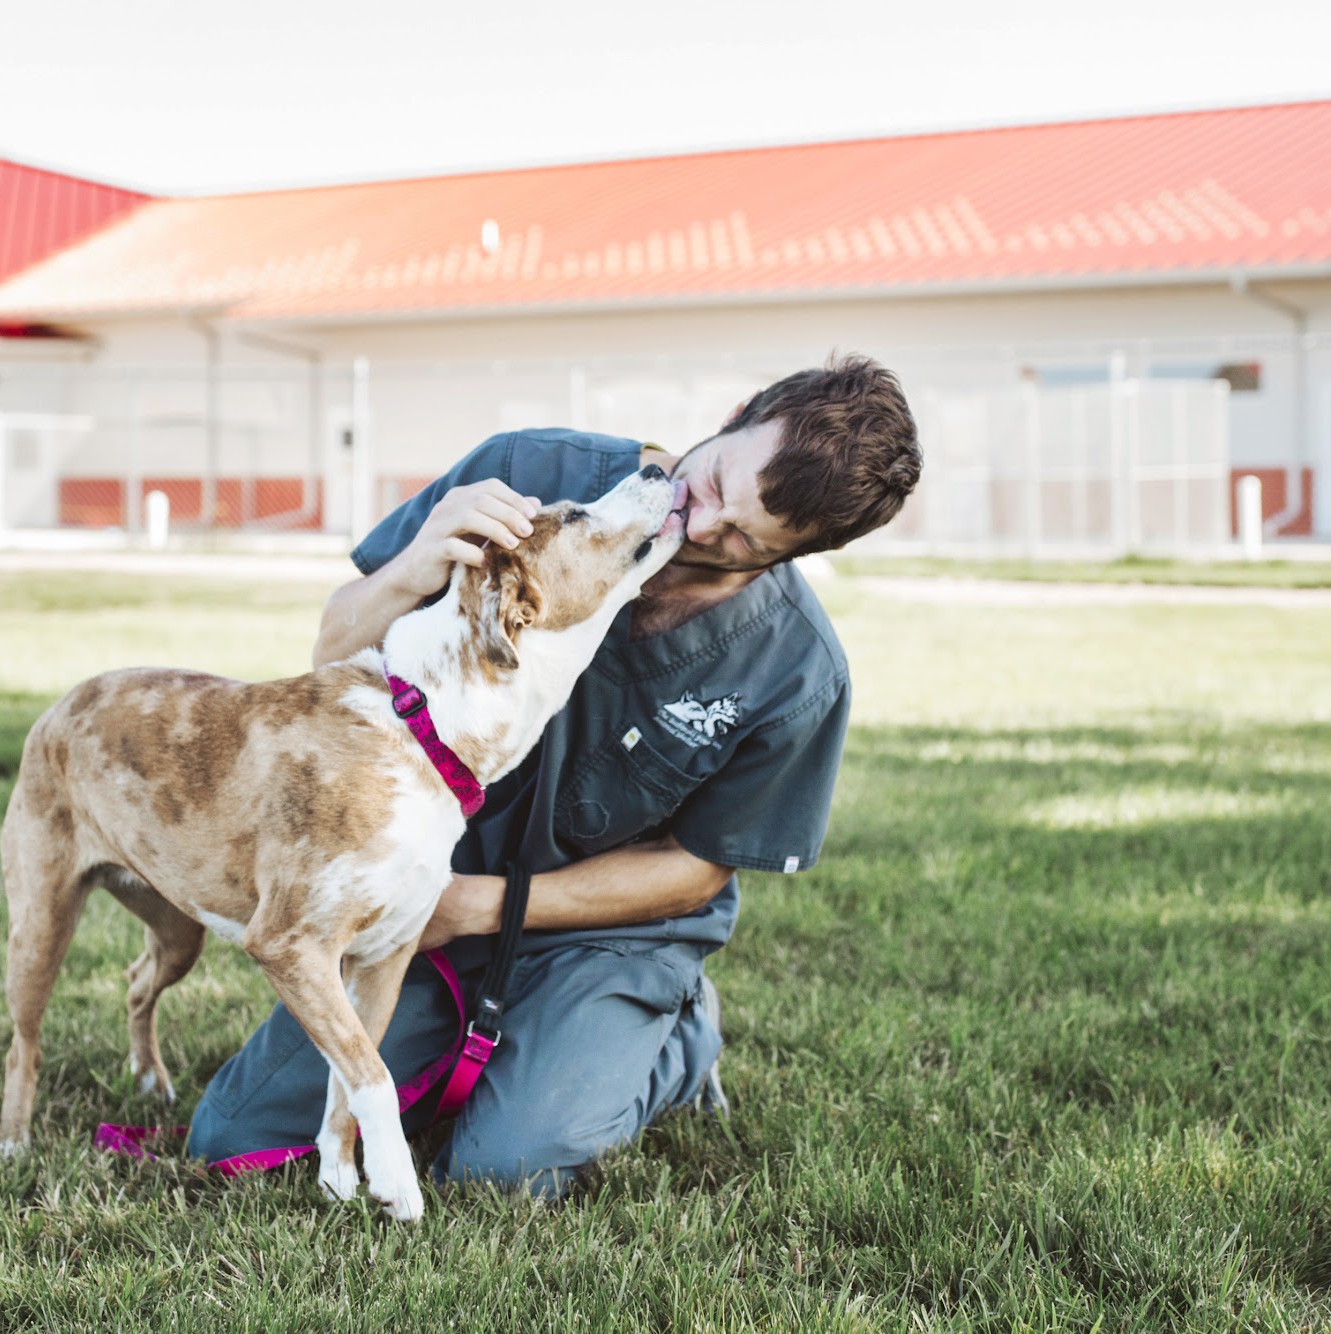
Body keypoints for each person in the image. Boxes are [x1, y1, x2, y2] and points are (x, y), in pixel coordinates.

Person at [187, 355, 922, 1197]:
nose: (704, 521)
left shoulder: (796, 673)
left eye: (749, 540)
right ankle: (502, 1053)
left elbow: (694, 871)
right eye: (718, 479)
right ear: (740, 410)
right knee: (233, 1140)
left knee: (507, 1170)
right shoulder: (534, 472)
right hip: (424, 894)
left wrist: (474, 906)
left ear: (801, 554)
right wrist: (420, 561)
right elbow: (332, 650)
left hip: (600, 937)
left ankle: (672, 1041)